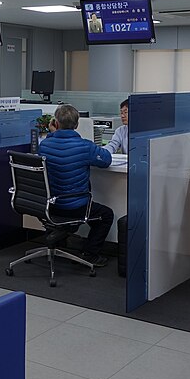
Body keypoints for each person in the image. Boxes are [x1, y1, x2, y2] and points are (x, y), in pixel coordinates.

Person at [37, 104, 114, 267]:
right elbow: (106, 160)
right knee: (106, 215)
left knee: (96, 214)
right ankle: (90, 254)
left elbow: (49, 145)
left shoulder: (44, 145)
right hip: (76, 206)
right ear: (77, 125)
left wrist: (52, 133)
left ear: (55, 123)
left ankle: (61, 233)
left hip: (51, 205)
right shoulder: (86, 147)